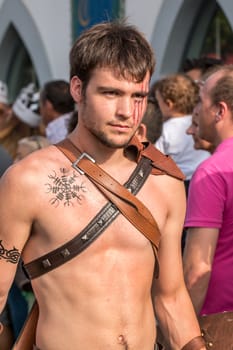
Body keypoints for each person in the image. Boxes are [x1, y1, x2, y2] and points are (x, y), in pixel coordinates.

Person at [0, 21, 205, 350]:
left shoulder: (164, 183)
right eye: (111, 93)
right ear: (78, 89)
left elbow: (171, 299)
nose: (126, 111)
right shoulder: (27, 181)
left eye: (138, 96)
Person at [183, 65, 233, 337]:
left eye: (201, 102)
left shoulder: (212, 172)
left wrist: (182, 336)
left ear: (219, 111)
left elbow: (196, 269)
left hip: (220, 322)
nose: (197, 111)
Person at [154, 73, 210, 195]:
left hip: (172, 184)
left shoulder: (166, 129)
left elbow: (153, 160)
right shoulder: (198, 123)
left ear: (169, 104)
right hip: (198, 181)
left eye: (158, 102)